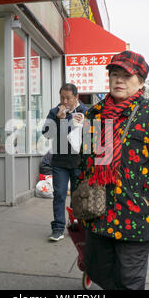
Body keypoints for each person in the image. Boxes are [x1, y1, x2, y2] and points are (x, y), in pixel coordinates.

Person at [77, 51, 149, 290]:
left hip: (136, 213)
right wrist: (81, 188)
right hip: (97, 210)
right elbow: (86, 157)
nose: (118, 80)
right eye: (114, 74)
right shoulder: (96, 114)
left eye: (126, 75)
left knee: (130, 280)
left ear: (141, 82)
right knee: (97, 269)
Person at [42, 83, 88, 241]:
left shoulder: (85, 112)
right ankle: (58, 228)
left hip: (79, 162)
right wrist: (59, 119)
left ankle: (76, 224)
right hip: (60, 161)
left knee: (78, 196)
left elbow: (92, 136)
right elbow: (47, 134)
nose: (65, 101)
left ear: (77, 97)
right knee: (59, 194)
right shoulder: (55, 111)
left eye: (68, 98)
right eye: (62, 97)